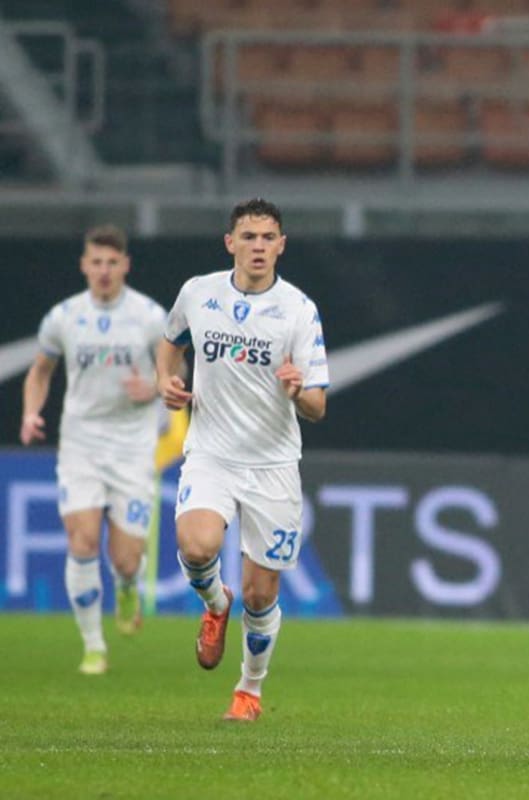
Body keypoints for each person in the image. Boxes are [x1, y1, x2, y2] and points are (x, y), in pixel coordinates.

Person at [156, 198, 329, 721]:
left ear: (281, 245)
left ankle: (248, 691)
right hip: (211, 453)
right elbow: (170, 344)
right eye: (248, 236)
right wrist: (168, 379)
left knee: (262, 592)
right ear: (230, 242)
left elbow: (318, 407)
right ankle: (214, 603)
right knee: (196, 542)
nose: (258, 246)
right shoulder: (198, 293)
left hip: (273, 464)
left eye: (267, 237)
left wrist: (299, 390)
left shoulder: (299, 310)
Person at [19, 224, 166, 675]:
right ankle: (93, 646)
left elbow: (173, 371)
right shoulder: (63, 316)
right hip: (80, 442)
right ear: (84, 265)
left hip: (132, 447)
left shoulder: (149, 316)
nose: (104, 271)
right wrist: (30, 413)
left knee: (125, 557)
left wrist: (155, 385)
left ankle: (127, 584)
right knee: (81, 540)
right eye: (96, 262)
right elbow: (41, 372)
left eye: (112, 262)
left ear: (126, 265)